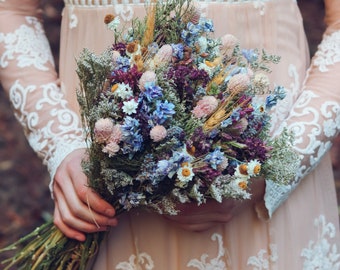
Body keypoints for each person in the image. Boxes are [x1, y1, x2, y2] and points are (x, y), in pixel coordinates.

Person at [0, 0, 339, 269]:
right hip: (107, 190)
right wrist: (62, 144)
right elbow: (11, 10)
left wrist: (275, 167)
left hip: (269, 173)